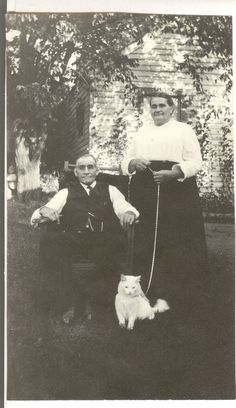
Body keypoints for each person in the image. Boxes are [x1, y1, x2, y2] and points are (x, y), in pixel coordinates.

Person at [121, 92, 209, 314]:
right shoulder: (141, 132)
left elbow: (195, 162)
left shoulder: (183, 130)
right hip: (145, 190)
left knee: (174, 240)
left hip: (176, 190)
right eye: (154, 106)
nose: (157, 109)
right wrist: (133, 162)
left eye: (162, 105)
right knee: (146, 239)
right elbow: (124, 160)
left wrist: (173, 173)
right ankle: (146, 292)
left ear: (172, 109)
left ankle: (175, 296)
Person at [31, 154, 139, 328]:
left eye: (90, 167)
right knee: (50, 244)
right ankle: (69, 303)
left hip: (103, 239)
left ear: (97, 170)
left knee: (112, 249)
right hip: (75, 239)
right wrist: (45, 211)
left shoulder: (111, 190)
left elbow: (125, 207)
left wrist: (129, 213)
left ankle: (97, 304)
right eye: (82, 168)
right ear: (76, 172)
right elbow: (42, 211)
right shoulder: (66, 192)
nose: (86, 171)